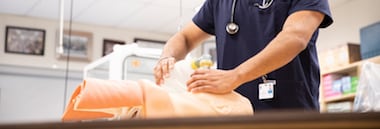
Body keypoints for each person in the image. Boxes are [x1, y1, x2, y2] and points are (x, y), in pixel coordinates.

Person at [154, 0, 333, 112]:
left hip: (290, 114)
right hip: (234, 115)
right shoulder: (219, 3)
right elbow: (184, 38)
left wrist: (235, 76)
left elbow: (295, 37)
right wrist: (166, 57)